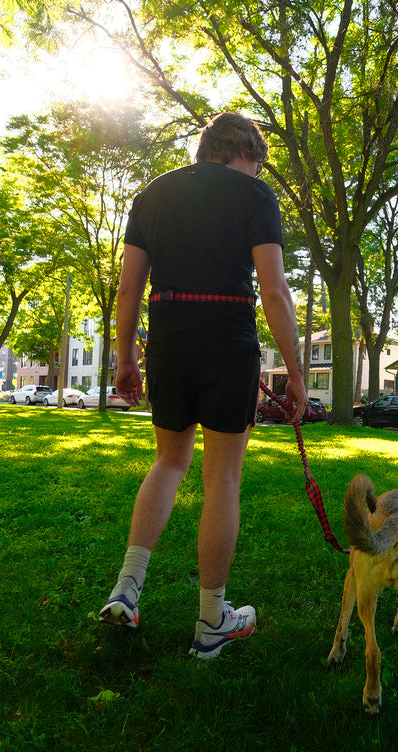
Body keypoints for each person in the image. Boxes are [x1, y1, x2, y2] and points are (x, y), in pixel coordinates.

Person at [99, 111, 307, 659]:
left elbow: (127, 291)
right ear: (245, 151)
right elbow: (275, 290)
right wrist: (297, 372)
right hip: (227, 345)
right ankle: (212, 620)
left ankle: (127, 587)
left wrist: (125, 360)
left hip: (167, 344)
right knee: (222, 480)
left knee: (169, 463)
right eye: (258, 164)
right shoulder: (254, 196)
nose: (258, 174)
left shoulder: (151, 195)